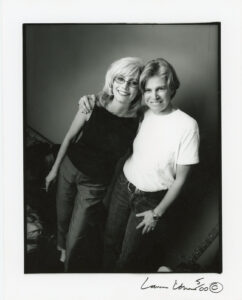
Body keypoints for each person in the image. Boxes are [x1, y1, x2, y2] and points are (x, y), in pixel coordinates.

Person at [79, 58, 200, 272]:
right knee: (108, 242)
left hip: (150, 201)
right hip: (123, 187)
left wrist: (157, 212)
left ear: (171, 88)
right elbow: (110, 106)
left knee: (128, 257)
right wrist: (88, 99)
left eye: (160, 89)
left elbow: (181, 179)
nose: (153, 96)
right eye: (148, 90)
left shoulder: (187, 125)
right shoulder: (141, 113)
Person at [45, 57, 144, 272]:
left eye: (133, 82)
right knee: (62, 217)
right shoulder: (92, 103)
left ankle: (67, 273)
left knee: (77, 234)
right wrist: (54, 170)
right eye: (121, 79)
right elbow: (70, 137)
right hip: (69, 169)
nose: (125, 86)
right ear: (112, 80)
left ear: (140, 88)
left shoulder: (139, 120)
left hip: (95, 184)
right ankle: (60, 247)